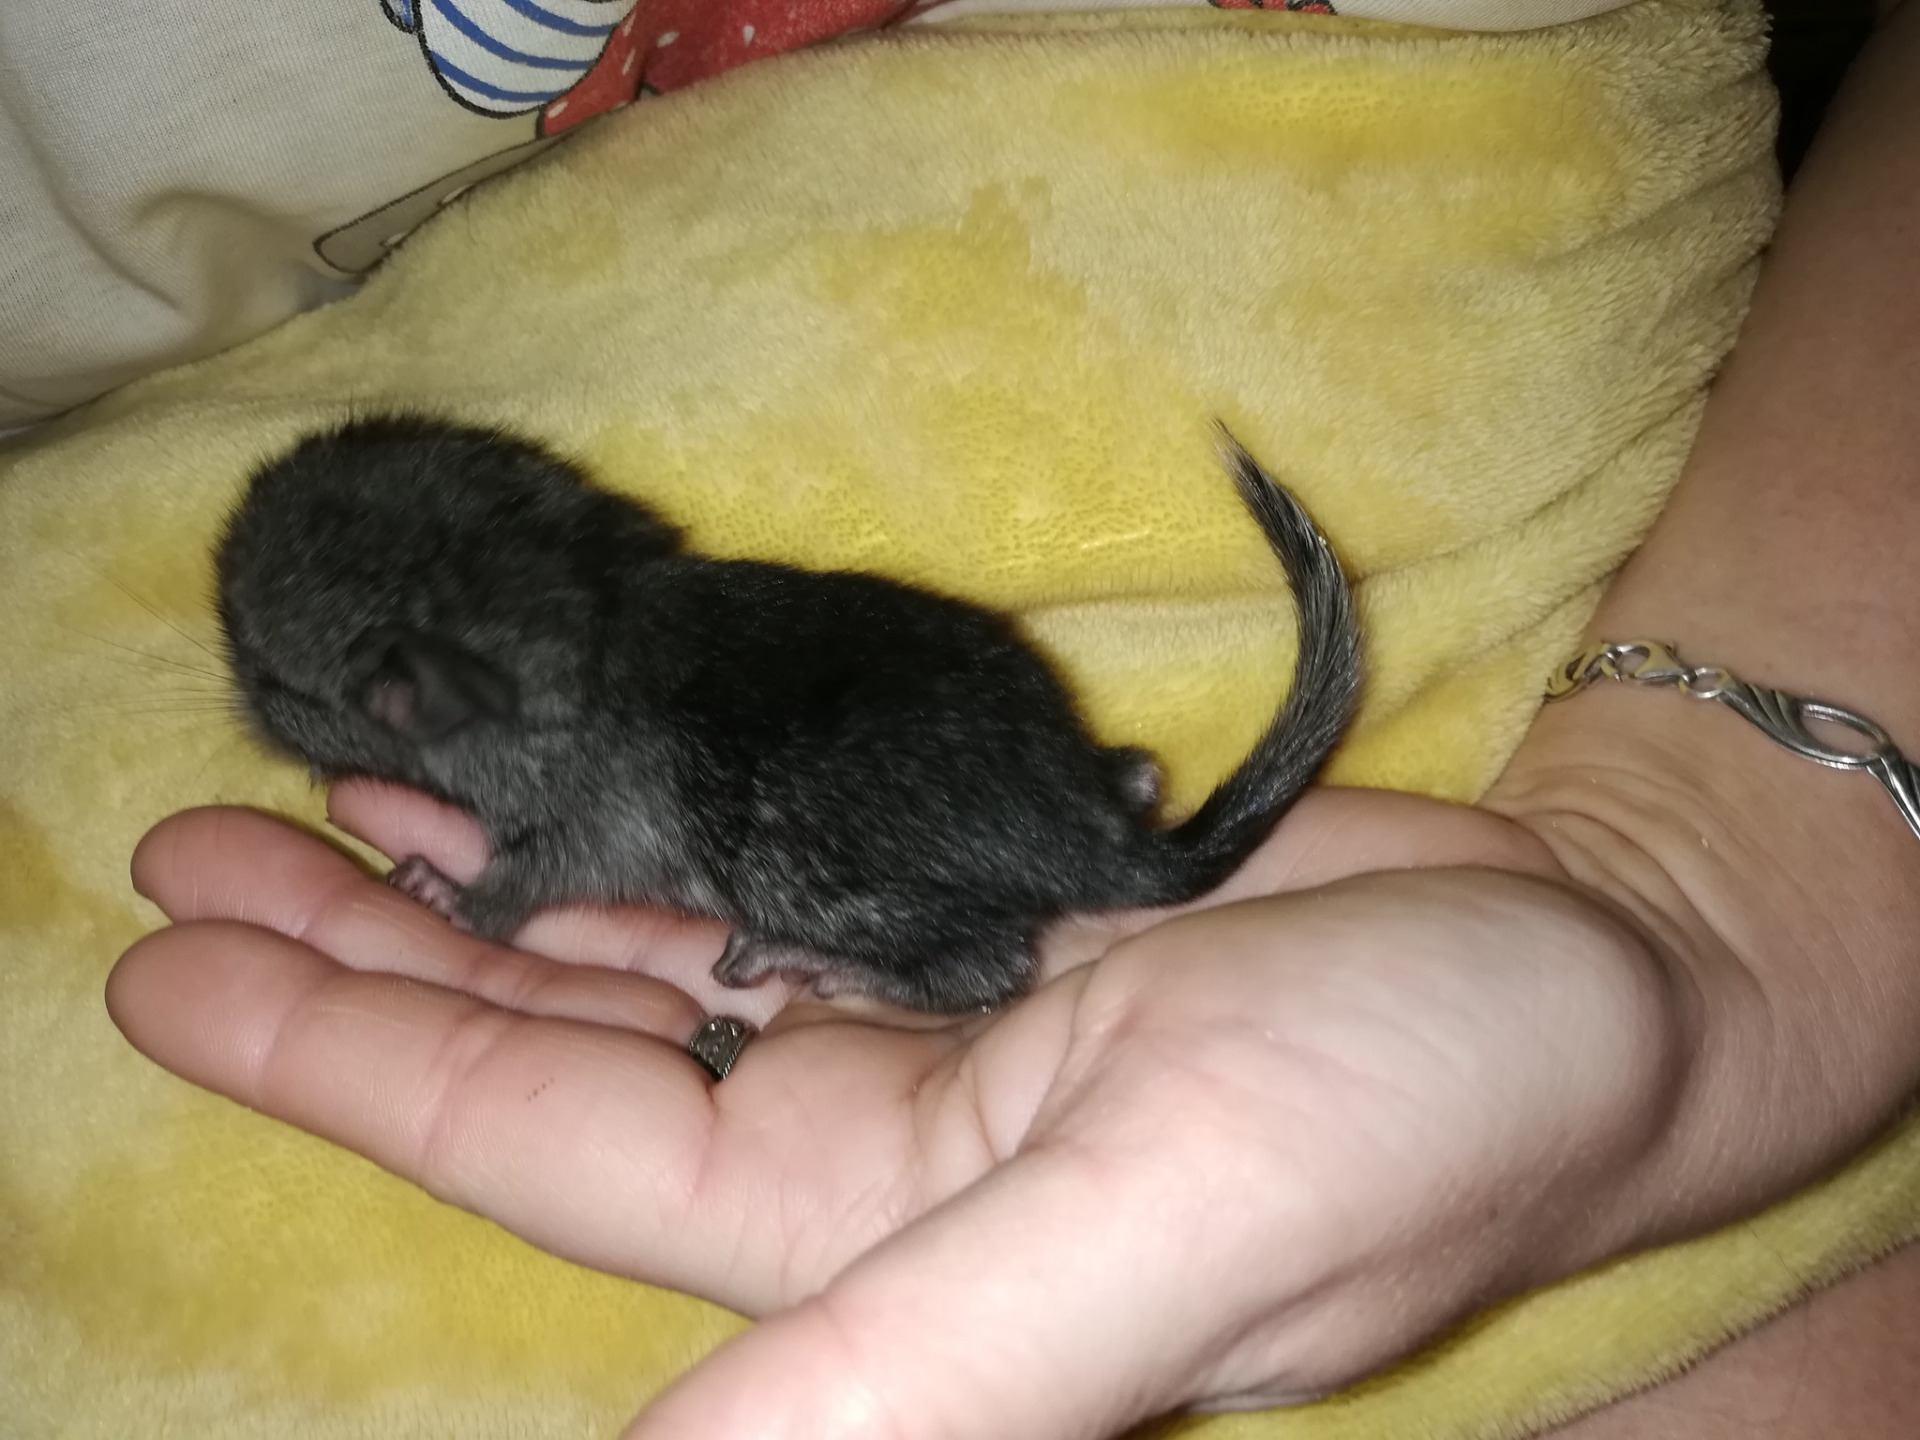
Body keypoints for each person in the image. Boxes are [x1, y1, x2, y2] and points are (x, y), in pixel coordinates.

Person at [103, 2, 1920, 1436]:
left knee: (792, 846)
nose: (275, 712)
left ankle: (967, 940)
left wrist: (1715, 896)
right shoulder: (595, 611)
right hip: (945, 743)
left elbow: (592, 830)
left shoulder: (566, 736)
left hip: (915, 825)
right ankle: (1062, 833)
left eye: (310, 696)